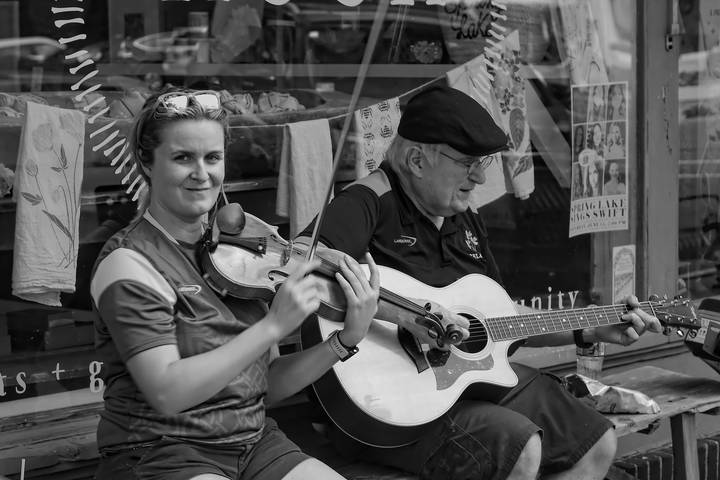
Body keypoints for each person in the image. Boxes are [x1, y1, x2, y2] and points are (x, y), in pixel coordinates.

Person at [298, 85, 661, 480]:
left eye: (482, 161)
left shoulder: (462, 217)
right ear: (417, 160)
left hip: (465, 388)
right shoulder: (368, 201)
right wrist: (409, 315)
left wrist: (586, 326)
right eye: (468, 162)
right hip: (389, 404)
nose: (481, 175)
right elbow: (300, 260)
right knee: (520, 448)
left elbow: (498, 320)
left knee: (594, 442)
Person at [90, 88, 381, 480]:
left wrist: (344, 340)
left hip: (253, 443)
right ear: (146, 161)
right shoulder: (129, 262)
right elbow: (167, 393)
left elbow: (268, 385)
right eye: (182, 158)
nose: (201, 173)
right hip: (160, 451)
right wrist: (272, 326)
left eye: (213, 157)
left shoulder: (243, 253)